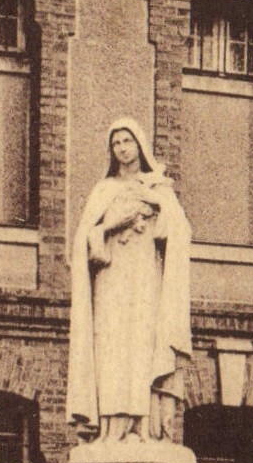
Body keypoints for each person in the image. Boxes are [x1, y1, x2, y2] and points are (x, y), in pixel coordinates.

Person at [67, 118, 192, 444]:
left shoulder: (157, 187)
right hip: (110, 284)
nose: (122, 148)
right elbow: (82, 243)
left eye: (127, 141)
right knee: (111, 349)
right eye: (116, 143)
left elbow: (178, 232)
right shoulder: (103, 190)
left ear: (139, 145)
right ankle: (111, 428)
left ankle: (143, 426)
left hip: (145, 282)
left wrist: (155, 205)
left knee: (141, 347)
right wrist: (110, 225)